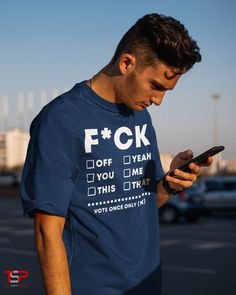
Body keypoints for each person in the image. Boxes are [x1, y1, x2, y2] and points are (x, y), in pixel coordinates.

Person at [20, 13, 212, 295]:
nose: (158, 101)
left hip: (147, 284)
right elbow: (46, 233)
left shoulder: (140, 117)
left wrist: (170, 183)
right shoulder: (61, 119)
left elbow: (142, 204)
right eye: (156, 86)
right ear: (126, 63)